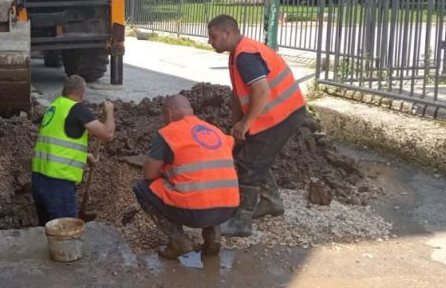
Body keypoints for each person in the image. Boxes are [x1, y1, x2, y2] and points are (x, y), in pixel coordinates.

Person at [206, 15, 307, 237]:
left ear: (228, 33)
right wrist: (236, 124)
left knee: (249, 163)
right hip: (274, 113)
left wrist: (246, 123)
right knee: (252, 153)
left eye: (213, 37)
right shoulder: (237, 54)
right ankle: (272, 202)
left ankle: (241, 222)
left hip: (282, 114)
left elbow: (261, 91)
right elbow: (238, 93)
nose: (210, 42)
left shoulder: (246, 55)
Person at [133, 95, 239, 259]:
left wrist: (165, 172)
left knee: (141, 187)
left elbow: (149, 174)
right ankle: (213, 236)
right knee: (209, 185)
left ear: (168, 114)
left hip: (196, 213)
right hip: (228, 209)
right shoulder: (214, 130)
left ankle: (178, 241)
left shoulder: (169, 133)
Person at [31, 75, 115, 224]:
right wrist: (109, 111)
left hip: (39, 179)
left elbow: (59, 141)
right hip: (58, 184)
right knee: (67, 232)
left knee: (47, 230)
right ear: (82, 93)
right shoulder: (77, 109)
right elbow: (107, 135)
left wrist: (85, 155)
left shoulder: (55, 106)